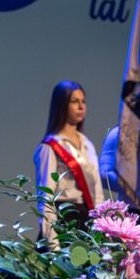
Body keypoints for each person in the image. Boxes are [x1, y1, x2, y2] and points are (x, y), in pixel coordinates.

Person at [34, 81, 105, 243]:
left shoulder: (87, 144)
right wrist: (53, 244)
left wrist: (101, 230)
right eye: (74, 101)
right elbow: (46, 198)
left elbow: (98, 193)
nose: (81, 107)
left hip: (86, 221)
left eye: (83, 101)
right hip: (63, 220)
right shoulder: (50, 147)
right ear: (62, 105)